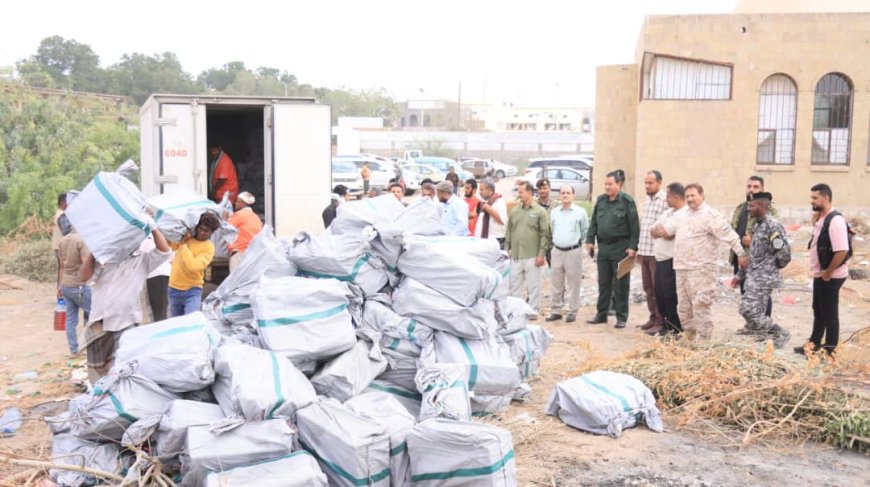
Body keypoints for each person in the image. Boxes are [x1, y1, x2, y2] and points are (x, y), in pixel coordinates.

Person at [79, 221, 172, 382]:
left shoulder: (142, 261)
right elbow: (83, 276)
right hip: (99, 321)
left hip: (126, 322)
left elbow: (164, 250)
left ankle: (118, 401)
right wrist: (94, 253)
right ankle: (100, 400)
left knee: (121, 371)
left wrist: (153, 227)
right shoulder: (105, 261)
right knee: (97, 373)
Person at [673, 184, 747, 342]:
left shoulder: (711, 215)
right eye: (687, 196)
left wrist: (741, 253)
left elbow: (730, 235)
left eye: (693, 195)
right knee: (684, 306)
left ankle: (704, 339)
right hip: (682, 268)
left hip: (702, 270)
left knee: (701, 305)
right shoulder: (683, 215)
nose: (690, 199)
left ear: (702, 195)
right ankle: (689, 335)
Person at [795, 184, 850, 356]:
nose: (811, 201)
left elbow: (842, 250)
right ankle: (813, 345)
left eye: (814, 198)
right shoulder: (822, 218)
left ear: (825, 198)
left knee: (830, 314)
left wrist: (828, 271)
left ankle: (830, 351)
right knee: (819, 310)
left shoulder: (835, 221)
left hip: (831, 276)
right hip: (821, 274)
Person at [732, 192, 791, 348]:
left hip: (764, 277)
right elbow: (754, 253)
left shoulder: (772, 225)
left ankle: (778, 333)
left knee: (747, 309)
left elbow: (784, 253)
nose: (748, 209)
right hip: (753, 275)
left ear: (762, 206)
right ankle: (763, 338)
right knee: (753, 310)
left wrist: (771, 268)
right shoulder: (758, 224)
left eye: (751, 206)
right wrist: (740, 275)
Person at [585, 170, 640, 328]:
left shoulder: (627, 202)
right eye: (606, 184)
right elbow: (594, 222)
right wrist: (590, 240)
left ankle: (621, 317)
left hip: (621, 248)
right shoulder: (601, 201)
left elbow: (634, 227)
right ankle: (601, 314)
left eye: (610, 184)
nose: (607, 187)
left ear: (619, 184)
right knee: (603, 283)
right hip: (604, 248)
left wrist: (632, 247)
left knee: (621, 284)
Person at [731, 176, 776, 320]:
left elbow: (775, 237)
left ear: (762, 190)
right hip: (741, 259)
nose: (751, 189)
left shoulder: (769, 210)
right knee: (746, 295)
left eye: (756, 187)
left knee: (761, 296)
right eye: (749, 186)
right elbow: (733, 231)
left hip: (759, 262)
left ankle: (765, 327)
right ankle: (752, 325)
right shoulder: (741, 208)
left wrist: (753, 241)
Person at [505, 181, 550, 317]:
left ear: (530, 192)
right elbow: (509, 231)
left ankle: (532, 311)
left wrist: (541, 254)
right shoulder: (515, 211)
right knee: (514, 285)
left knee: (534, 286)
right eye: (518, 192)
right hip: (516, 256)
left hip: (533, 255)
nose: (519, 195)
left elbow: (544, 234)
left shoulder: (540, 212)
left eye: (521, 192)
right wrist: (507, 248)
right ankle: (516, 312)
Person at [649, 182, 688, 336]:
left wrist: (662, 231)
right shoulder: (668, 212)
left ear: (676, 197)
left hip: (671, 260)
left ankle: (675, 328)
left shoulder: (682, 214)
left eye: (668, 196)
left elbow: (666, 232)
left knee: (670, 295)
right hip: (660, 259)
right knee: (660, 294)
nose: (666, 199)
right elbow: (653, 229)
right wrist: (661, 231)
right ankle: (665, 326)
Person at [545, 185, 589, 323]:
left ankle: (572, 311)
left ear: (573, 195)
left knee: (573, 283)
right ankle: (556, 310)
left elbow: (584, 230)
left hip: (573, 251)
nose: (565, 195)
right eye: (562, 193)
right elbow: (552, 229)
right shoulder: (554, 212)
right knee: (556, 283)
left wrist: (577, 243)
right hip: (557, 251)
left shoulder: (580, 212)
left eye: (568, 193)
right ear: (559, 196)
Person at [168, 213, 220, 317]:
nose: (201, 232)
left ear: (211, 233)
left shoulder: (209, 247)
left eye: (206, 231)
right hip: (174, 287)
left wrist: (183, 245)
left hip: (193, 290)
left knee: (191, 322)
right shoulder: (187, 238)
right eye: (200, 229)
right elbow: (171, 244)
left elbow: (194, 267)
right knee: (175, 326)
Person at [637, 170, 668, 333]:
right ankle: (653, 317)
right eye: (646, 183)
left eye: (651, 183)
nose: (647, 186)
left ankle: (662, 321)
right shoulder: (647, 200)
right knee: (648, 288)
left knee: (658, 289)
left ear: (659, 183)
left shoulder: (664, 201)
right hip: (645, 251)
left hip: (657, 253)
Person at [57, 224, 91, 357]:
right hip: (80, 285)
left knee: (71, 320)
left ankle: (74, 350)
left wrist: (60, 285)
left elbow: (61, 266)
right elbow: (85, 262)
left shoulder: (62, 241)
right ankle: (94, 346)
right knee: (96, 314)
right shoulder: (81, 240)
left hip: (66, 285)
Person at [227, 191, 264, 271]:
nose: (235, 203)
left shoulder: (239, 215)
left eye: (237, 201)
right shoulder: (256, 218)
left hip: (239, 253)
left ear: (242, 203)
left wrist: (225, 214)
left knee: (236, 281)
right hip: (253, 253)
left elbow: (226, 228)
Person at [474, 178, 508, 246]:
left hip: (495, 240)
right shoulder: (485, 202)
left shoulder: (499, 202)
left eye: (482, 190)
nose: (480, 192)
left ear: (489, 190)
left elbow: (503, 220)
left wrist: (488, 209)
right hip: (483, 240)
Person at [52, 193, 68, 287]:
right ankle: (61, 294)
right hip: (62, 247)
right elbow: (67, 231)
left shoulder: (59, 213)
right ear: (62, 203)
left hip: (58, 246)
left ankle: (61, 295)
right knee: (63, 269)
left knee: (62, 269)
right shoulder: (62, 215)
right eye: (68, 201)